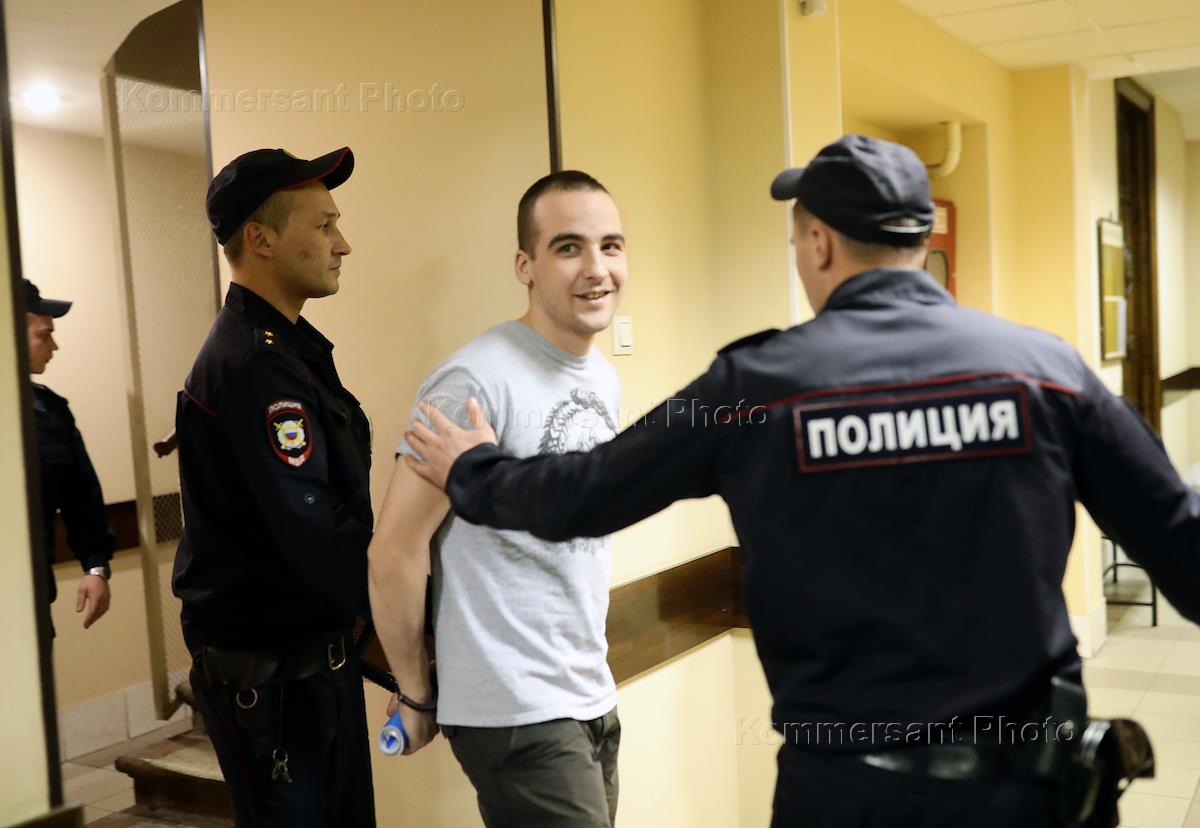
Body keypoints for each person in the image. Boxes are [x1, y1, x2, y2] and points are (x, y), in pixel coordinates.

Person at [404, 135, 1200, 827]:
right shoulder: (1046, 374)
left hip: (846, 795)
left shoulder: (755, 389)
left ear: (818, 244)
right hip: (1027, 792)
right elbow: (1182, 543)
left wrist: (473, 468)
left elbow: (581, 495)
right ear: (920, 236)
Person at [369, 170, 625, 827]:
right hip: (515, 706)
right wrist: (416, 694)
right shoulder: (474, 379)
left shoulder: (602, 376)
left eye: (610, 245)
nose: (596, 268)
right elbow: (394, 550)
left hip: (589, 690)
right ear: (525, 266)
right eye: (568, 247)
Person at [172, 147, 375, 827]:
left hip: (314, 663)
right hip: (273, 681)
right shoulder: (254, 365)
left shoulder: (287, 350)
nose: (342, 244)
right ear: (259, 238)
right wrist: (414, 608)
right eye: (323, 226)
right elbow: (312, 527)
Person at [26, 279, 115, 631]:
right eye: (45, 335)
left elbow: (82, 496)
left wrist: (96, 567)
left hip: (31, 599)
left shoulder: (50, 413)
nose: (55, 345)